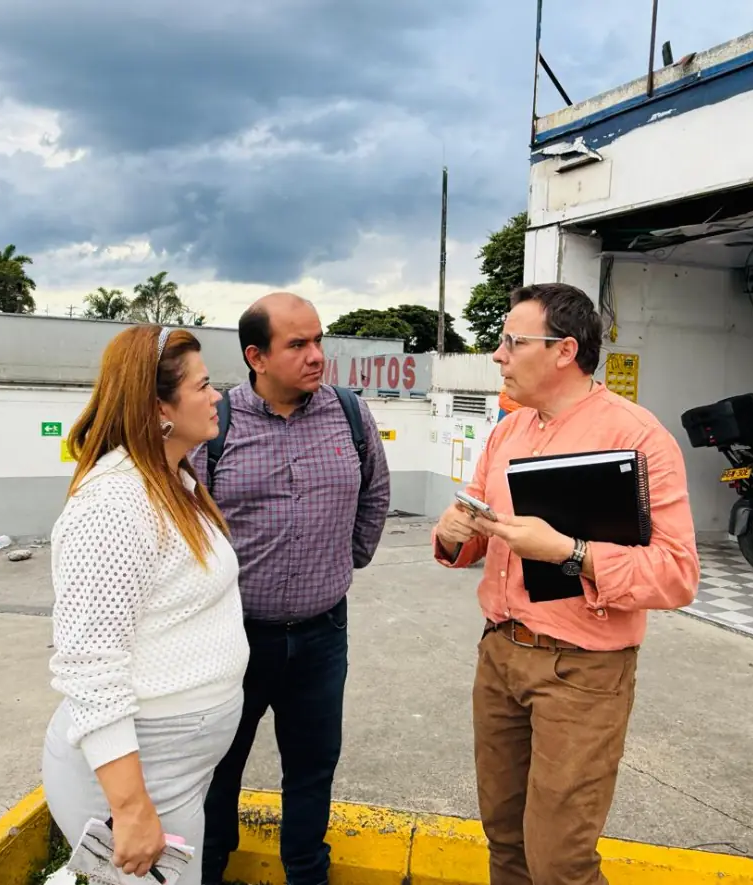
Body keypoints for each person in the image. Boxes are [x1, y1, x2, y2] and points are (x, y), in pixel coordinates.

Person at [432, 282, 700, 885]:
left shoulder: (637, 437)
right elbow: (472, 529)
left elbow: (678, 574)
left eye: (513, 341)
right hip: (500, 654)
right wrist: (453, 532)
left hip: (582, 672)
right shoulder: (508, 430)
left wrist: (569, 552)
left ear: (564, 351)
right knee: (504, 838)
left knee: (559, 861)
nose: (498, 355)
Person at [194, 292, 391, 885]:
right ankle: (207, 869)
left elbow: (375, 494)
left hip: (322, 635)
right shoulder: (217, 424)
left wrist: (346, 561)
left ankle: (306, 873)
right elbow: (188, 521)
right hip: (233, 639)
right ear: (256, 356)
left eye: (318, 340)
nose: (316, 356)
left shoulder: (349, 414)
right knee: (218, 768)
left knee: (312, 768)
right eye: (298, 344)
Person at [42, 325, 250, 885]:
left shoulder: (172, 481)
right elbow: (90, 666)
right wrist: (131, 808)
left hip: (176, 769)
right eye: (203, 386)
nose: (217, 396)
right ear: (159, 407)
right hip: (139, 775)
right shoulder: (113, 504)